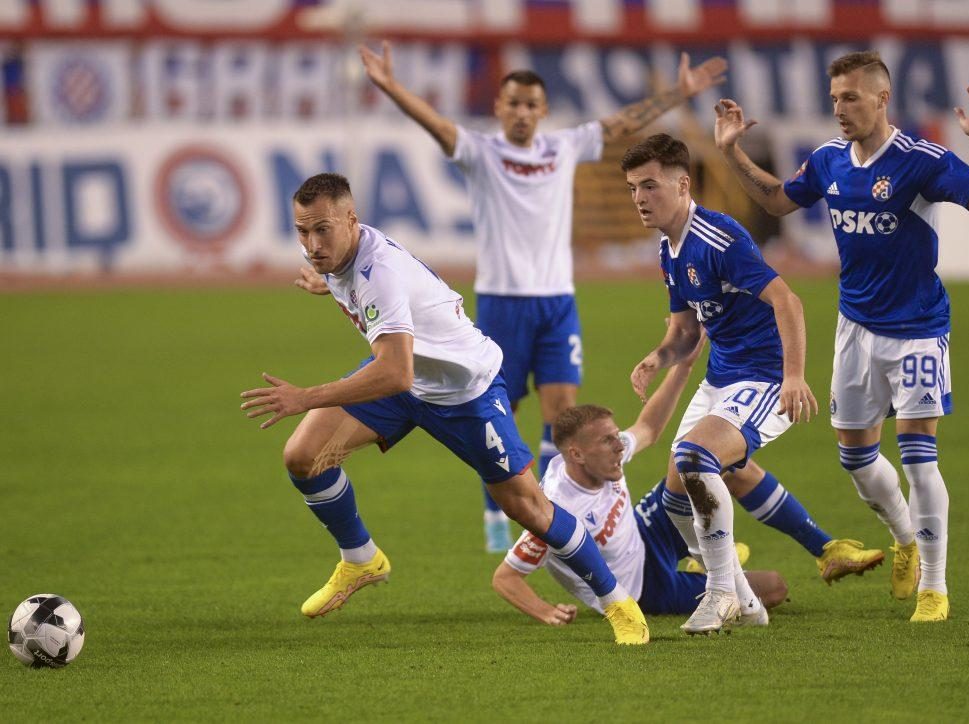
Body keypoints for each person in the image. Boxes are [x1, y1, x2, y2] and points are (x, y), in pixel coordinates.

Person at [240, 172, 650, 645]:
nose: (311, 243)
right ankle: (361, 559)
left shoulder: (380, 274)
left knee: (529, 508)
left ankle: (618, 602)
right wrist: (325, 281)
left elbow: (395, 372)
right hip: (405, 382)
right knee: (303, 456)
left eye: (322, 230)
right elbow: (397, 370)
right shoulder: (337, 257)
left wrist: (304, 397)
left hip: (466, 392)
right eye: (302, 231)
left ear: (351, 220)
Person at [359, 41, 727, 552]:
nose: (523, 113)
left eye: (532, 105)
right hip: (502, 302)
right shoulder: (482, 152)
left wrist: (676, 94)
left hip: (557, 304)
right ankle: (495, 518)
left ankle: (560, 509)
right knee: (492, 414)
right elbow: (438, 126)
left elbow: (620, 125)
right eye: (513, 103)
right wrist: (391, 86)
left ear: (543, 110)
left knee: (563, 414)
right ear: (499, 108)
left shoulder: (563, 147)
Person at [713, 51, 969, 622]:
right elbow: (779, 199)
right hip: (855, 328)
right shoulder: (828, 161)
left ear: (882, 98)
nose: (839, 109)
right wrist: (729, 152)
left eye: (850, 97)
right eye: (834, 99)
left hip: (919, 330)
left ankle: (935, 586)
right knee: (855, 458)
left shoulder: (922, 161)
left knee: (920, 457)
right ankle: (904, 539)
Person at [623, 132, 860, 635]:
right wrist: (658, 356)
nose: (640, 198)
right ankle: (750, 604)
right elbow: (686, 331)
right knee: (675, 500)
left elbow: (788, 302)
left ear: (683, 184)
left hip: (764, 377)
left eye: (649, 186)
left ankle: (721, 593)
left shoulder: (719, 238)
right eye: (632, 189)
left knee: (694, 459)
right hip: (720, 379)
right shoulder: (669, 249)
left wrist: (793, 376)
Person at [493, 339, 789, 633]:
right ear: (577, 455)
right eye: (607, 440)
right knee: (774, 587)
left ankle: (820, 547)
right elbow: (505, 577)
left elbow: (648, 427)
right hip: (646, 587)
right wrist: (547, 612)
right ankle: (709, 563)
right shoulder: (556, 510)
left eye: (615, 436)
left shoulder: (603, 454)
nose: (618, 446)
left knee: (707, 466)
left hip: (644, 533)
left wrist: (683, 367)